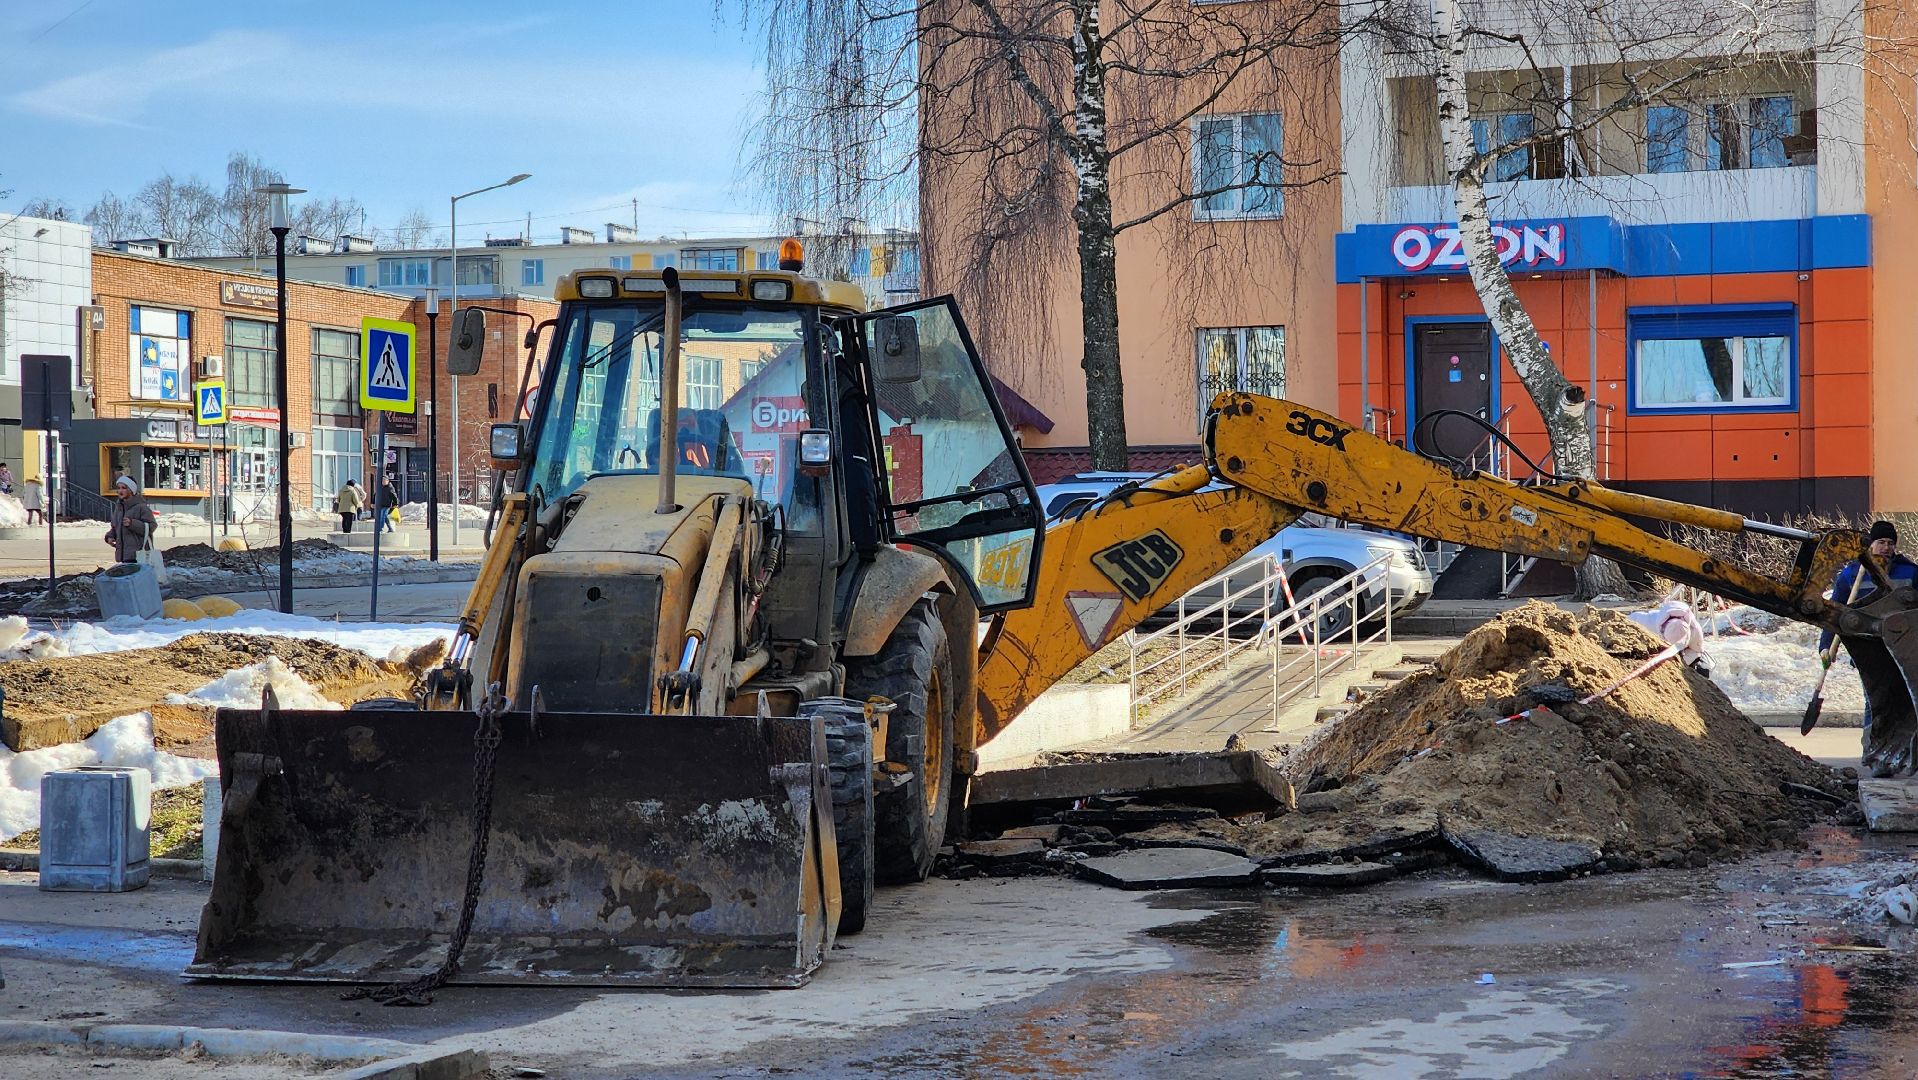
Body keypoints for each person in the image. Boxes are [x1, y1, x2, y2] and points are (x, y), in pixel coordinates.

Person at [1820, 521, 1918, 776]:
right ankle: (1875, 755)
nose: (1886, 548)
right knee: (1875, 702)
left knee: (1911, 702)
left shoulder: (1910, 573)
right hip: (1870, 653)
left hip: (1906, 652)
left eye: (1890, 543)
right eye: (1881, 542)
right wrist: (1825, 647)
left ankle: (1905, 752)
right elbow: (1834, 612)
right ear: (1871, 544)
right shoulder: (1852, 575)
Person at [105, 475, 157, 564]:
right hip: (123, 557)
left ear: (131, 490)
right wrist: (110, 536)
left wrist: (132, 524)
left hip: (139, 557)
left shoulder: (141, 507)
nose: (120, 491)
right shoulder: (119, 507)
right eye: (118, 488)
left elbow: (152, 526)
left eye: (124, 488)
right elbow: (115, 527)